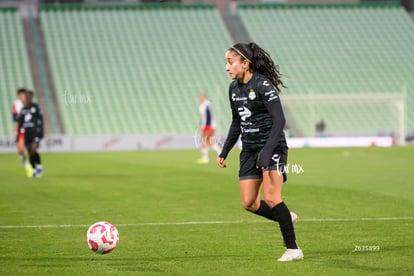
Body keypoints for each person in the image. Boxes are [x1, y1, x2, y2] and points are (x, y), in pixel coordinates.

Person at [217, 42, 303, 262]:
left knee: (272, 197)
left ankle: (293, 249)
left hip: (272, 146)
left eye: (230, 62)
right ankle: (286, 217)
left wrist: (267, 151)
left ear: (245, 63)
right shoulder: (233, 89)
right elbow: (237, 122)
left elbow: (279, 120)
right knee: (249, 203)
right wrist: (224, 151)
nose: (227, 67)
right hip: (249, 149)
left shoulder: (263, 85)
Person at [17, 90, 44, 177]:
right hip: (26, 134)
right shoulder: (23, 109)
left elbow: (41, 119)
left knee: (33, 149)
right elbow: (20, 123)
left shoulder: (35, 107)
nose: (27, 98)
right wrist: (18, 135)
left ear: (32, 97)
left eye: (29, 96)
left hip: (34, 133)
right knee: (30, 152)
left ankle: (39, 166)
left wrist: (41, 130)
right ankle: (33, 169)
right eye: (26, 96)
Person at [12, 88, 32, 177]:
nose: (22, 96)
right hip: (20, 130)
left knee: (31, 149)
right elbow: (14, 117)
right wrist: (21, 116)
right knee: (20, 150)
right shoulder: (16, 104)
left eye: (23, 94)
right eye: (20, 95)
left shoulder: (31, 104)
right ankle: (26, 165)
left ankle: (33, 166)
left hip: (29, 130)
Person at [197, 94, 221, 164]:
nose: (199, 99)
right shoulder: (203, 105)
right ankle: (220, 153)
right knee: (209, 141)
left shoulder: (206, 105)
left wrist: (206, 126)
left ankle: (205, 158)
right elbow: (203, 117)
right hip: (208, 125)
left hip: (209, 125)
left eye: (200, 97)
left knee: (203, 140)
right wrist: (200, 123)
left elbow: (208, 116)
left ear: (204, 98)